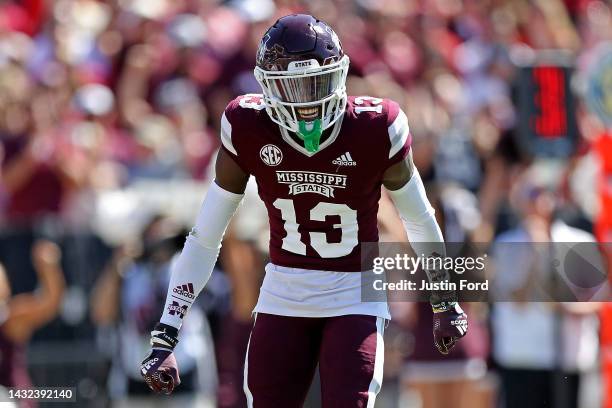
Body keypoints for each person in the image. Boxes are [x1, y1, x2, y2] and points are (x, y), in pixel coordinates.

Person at [140, 14, 468, 407]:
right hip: (284, 291)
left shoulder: (375, 126)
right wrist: (167, 331)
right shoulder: (247, 124)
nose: (306, 102)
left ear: (339, 75)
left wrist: (445, 298)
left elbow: (418, 216)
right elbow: (207, 235)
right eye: (290, 87)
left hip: (354, 292)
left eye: (313, 83)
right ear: (266, 87)